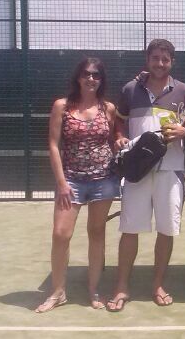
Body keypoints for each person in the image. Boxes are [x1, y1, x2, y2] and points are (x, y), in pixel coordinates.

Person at [106, 39, 185, 312]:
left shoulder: (184, 92)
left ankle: (157, 285)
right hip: (137, 170)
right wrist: (119, 137)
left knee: (166, 230)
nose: (160, 63)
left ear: (172, 62)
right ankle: (122, 286)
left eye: (165, 59)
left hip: (171, 171)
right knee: (130, 229)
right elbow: (119, 120)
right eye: (155, 58)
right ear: (148, 59)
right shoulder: (130, 89)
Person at [37, 57, 122, 313]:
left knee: (96, 234)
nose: (91, 79)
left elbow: (113, 138)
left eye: (96, 75)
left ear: (102, 79)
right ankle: (58, 292)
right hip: (71, 180)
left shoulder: (108, 108)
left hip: (103, 180)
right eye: (86, 74)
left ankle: (93, 289)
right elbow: (53, 145)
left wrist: (120, 141)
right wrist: (62, 182)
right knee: (60, 234)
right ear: (78, 77)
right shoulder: (62, 106)